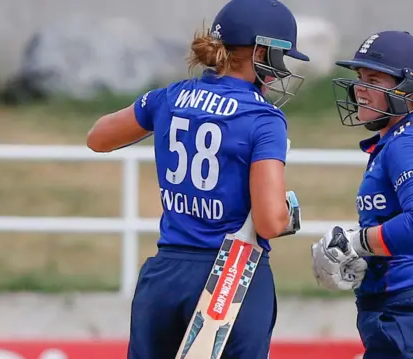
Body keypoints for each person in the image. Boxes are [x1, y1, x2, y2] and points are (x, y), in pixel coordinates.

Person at [86, 0, 308, 357]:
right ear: (261, 51)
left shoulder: (171, 96)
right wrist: (287, 213)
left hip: (165, 277)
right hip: (231, 278)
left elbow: (97, 138)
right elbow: (268, 222)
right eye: (280, 56)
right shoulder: (264, 119)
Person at [310, 30, 413, 359]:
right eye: (360, 78)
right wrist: (363, 254)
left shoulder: (407, 142)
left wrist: (355, 242)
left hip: (412, 315)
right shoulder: (406, 138)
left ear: (411, 91)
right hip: (404, 313)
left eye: (374, 79)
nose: (360, 89)